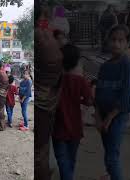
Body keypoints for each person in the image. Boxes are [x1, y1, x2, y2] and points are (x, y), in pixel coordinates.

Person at [94, 25, 130, 180]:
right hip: (104, 114)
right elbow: (97, 93)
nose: (116, 44)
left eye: (121, 40)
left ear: (127, 43)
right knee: (108, 153)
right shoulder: (105, 66)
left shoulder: (129, 63)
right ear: (108, 41)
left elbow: (126, 95)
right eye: (113, 40)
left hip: (117, 116)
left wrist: (109, 118)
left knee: (112, 156)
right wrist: (98, 117)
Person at [52, 44, 93, 180]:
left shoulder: (55, 81)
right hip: (75, 128)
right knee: (71, 159)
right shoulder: (80, 81)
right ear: (76, 62)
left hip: (58, 129)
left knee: (63, 161)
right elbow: (89, 101)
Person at [36, 4, 63, 180]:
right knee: (42, 148)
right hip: (47, 100)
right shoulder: (46, 34)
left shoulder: (42, 34)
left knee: (40, 149)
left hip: (43, 101)